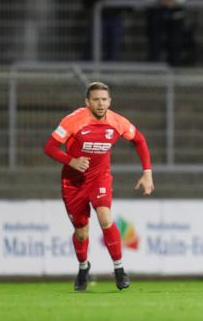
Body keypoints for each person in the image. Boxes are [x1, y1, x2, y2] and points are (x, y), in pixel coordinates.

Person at [43, 82, 154, 292]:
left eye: (104, 99)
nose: (100, 104)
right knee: (81, 232)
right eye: (96, 99)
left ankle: (119, 269)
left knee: (105, 217)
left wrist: (147, 173)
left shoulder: (117, 122)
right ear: (87, 102)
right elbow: (49, 147)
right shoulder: (74, 120)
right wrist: (71, 161)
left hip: (99, 179)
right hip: (73, 183)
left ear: (110, 101)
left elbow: (139, 140)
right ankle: (83, 267)